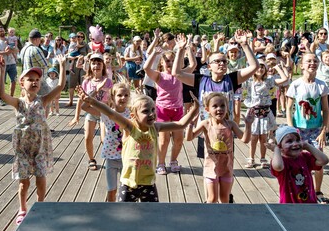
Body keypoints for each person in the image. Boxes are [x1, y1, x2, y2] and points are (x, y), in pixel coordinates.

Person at [76, 87, 199, 202]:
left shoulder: (155, 127)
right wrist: (91, 100)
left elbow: (180, 124)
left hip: (149, 183)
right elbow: (111, 114)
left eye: (153, 110)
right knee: (125, 215)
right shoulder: (130, 127)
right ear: (133, 115)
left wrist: (194, 109)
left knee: (150, 215)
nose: (151, 114)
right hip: (129, 184)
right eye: (146, 111)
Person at [0, 54, 66, 225]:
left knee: (41, 178)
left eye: (37, 79)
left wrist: (62, 66)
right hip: (23, 149)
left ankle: (40, 206)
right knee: (23, 183)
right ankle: (22, 208)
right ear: (22, 83)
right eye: (30, 79)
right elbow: (1, 94)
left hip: (40, 148)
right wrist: (1, 70)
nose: (34, 82)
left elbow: (60, 86)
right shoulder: (18, 103)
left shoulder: (43, 101)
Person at [172, 30, 258, 159]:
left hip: (226, 129)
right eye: (217, 61)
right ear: (209, 66)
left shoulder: (232, 79)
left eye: (224, 61)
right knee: (208, 163)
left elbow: (254, 67)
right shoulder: (201, 80)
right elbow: (177, 73)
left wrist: (245, 45)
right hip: (205, 129)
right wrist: (180, 50)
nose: (222, 64)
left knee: (226, 161)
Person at [186, 93, 254, 203]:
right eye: (215, 106)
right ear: (207, 109)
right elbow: (189, 138)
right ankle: (210, 219)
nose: (219, 109)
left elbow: (245, 139)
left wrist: (248, 125)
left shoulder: (230, 124)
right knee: (212, 199)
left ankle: (224, 219)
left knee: (224, 198)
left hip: (226, 168)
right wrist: (190, 124)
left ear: (227, 108)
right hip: (211, 168)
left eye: (223, 106)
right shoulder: (206, 124)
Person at [144, 35, 193, 175]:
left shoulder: (180, 74)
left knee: (178, 139)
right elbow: (146, 68)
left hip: (178, 109)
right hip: (162, 109)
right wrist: (155, 53)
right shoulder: (159, 75)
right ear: (162, 63)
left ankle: (173, 160)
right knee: (164, 140)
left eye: (172, 60)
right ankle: (160, 163)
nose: (170, 63)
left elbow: (193, 65)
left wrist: (185, 48)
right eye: (167, 61)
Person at [286, 53, 329, 203]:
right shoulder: (296, 84)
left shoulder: (321, 85)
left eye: (315, 61)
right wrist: (291, 129)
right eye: (308, 61)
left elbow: (326, 109)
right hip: (299, 128)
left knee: (318, 161)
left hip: (316, 129)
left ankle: (317, 191)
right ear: (302, 65)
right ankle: (299, 189)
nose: (312, 63)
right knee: (298, 161)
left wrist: (324, 131)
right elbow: (289, 108)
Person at [71, 53, 113, 170]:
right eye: (93, 63)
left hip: (104, 113)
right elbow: (81, 100)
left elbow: (112, 98)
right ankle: (91, 159)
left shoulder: (107, 81)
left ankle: (111, 159)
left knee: (104, 139)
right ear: (90, 66)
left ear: (103, 66)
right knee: (88, 137)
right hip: (90, 112)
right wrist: (76, 116)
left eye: (99, 63)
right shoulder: (87, 81)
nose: (96, 66)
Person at [243, 59, 288, 168]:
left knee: (263, 137)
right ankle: (251, 158)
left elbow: (284, 79)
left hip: (265, 111)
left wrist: (277, 68)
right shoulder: (249, 81)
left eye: (262, 67)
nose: (260, 69)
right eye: (258, 66)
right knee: (253, 137)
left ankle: (263, 157)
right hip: (254, 111)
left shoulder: (268, 80)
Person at [267, 126, 329, 203]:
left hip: (310, 203)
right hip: (289, 205)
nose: (295, 144)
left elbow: (324, 160)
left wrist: (307, 146)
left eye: (298, 140)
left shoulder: (305, 157)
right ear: (280, 146)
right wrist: (276, 149)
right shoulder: (281, 161)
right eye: (289, 141)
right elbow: (278, 166)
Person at [99, 83, 131, 202]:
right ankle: (110, 210)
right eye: (119, 95)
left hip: (126, 156)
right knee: (111, 189)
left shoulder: (132, 114)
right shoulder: (108, 113)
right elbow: (86, 107)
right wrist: (95, 92)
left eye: (126, 95)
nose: (123, 98)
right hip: (111, 156)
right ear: (112, 97)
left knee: (126, 189)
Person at [0, 27, 18, 104]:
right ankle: (1, 99)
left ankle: (10, 97)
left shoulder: (9, 40)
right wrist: (5, 53)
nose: (2, 32)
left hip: (12, 63)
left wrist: (12, 50)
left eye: (3, 31)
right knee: (1, 81)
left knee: (13, 80)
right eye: (0, 31)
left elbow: (16, 49)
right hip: (2, 64)